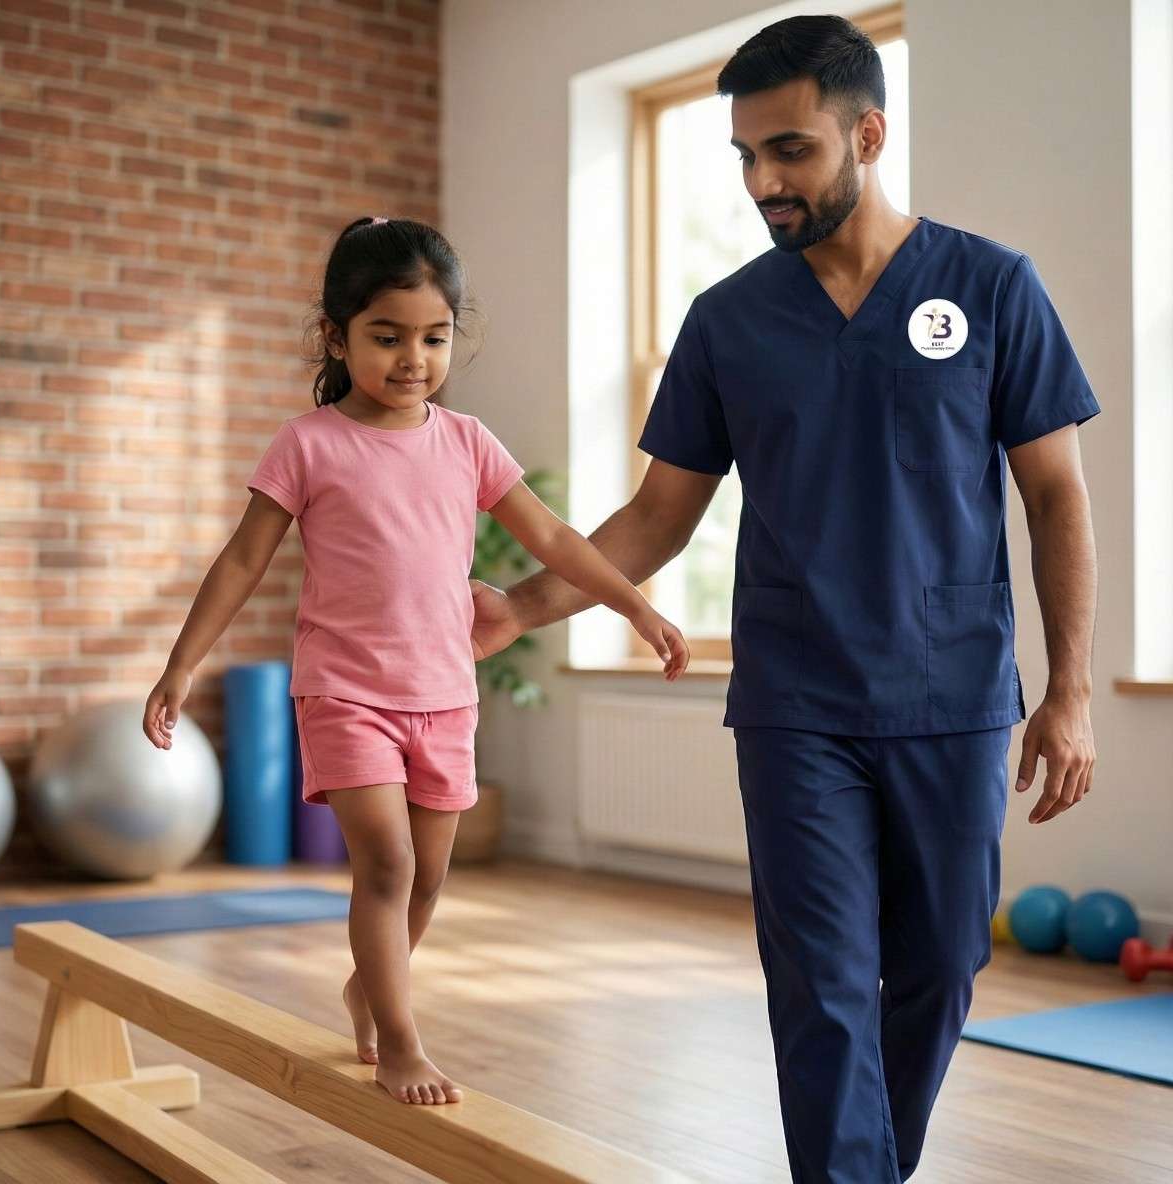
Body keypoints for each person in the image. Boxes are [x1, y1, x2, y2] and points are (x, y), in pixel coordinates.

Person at [471, 15, 1099, 1181]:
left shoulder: (990, 285)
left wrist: (1066, 692)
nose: (763, 181)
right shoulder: (728, 320)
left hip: (954, 693)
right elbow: (658, 515)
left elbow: (1055, 496)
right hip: (793, 698)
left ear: (866, 132)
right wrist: (520, 605)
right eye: (745, 157)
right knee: (814, 973)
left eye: (790, 151)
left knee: (942, 961)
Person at [141, 216, 690, 1107]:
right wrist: (180, 664)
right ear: (337, 336)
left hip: (444, 693)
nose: (412, 359)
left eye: (433, 338)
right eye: (386, 337)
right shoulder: (309, 444)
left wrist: (633, 605)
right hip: (344, 691)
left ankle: (370, 986)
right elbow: (243, 560)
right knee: (387, 867)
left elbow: (550, 537)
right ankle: (399, 1040)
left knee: (430, 877)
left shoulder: (467, 441)